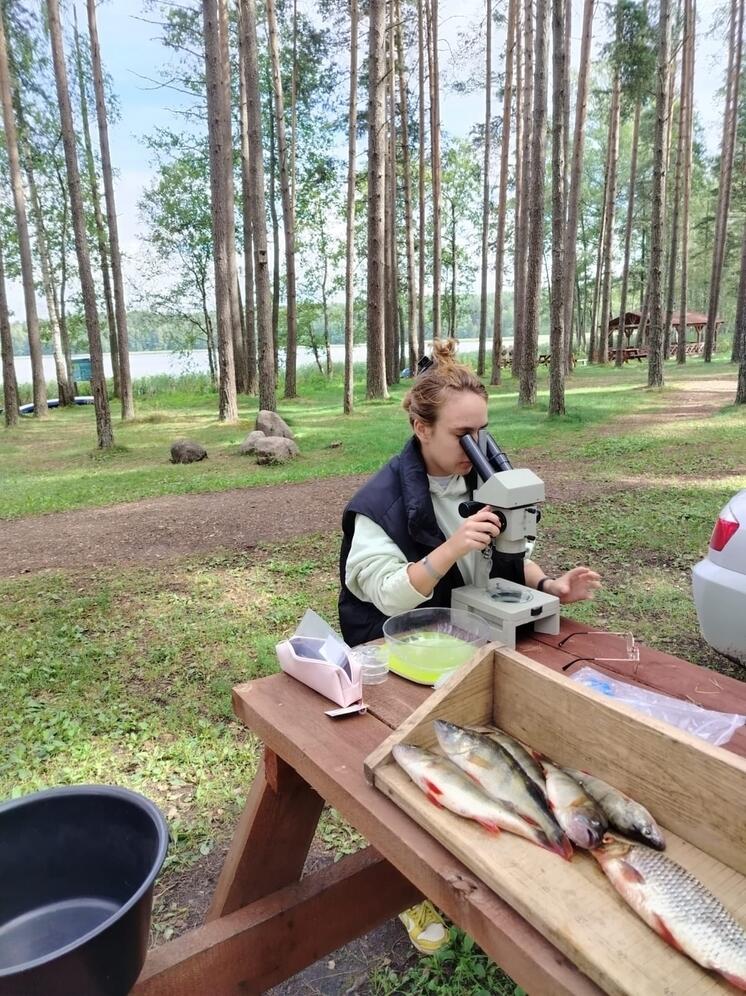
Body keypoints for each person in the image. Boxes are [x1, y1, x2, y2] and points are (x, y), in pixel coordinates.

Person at [338, 338, 601, 953]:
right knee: (407, 771)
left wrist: (550, 583)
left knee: (494, 753)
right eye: (463, 433)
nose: (478, 448)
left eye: (484, 430)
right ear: (419, 426)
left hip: (461, 642)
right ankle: (410, 885)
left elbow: (506, 556)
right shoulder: (377, 504)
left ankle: (491, 865)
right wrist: (450, 547)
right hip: (390, 652)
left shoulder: (480, 470)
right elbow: (385, 596)